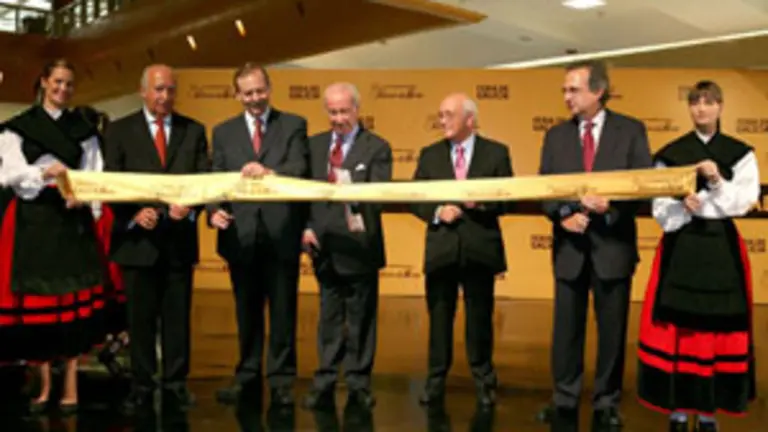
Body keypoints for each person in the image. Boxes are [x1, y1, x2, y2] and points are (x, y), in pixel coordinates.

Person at [537, 60, 653, 430]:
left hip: (612, 247)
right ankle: (564, 398)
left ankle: (607, 401)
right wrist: (563, 215)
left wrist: (613, 207)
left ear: (598, 91)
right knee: (565, 330)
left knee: (612, 330)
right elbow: (545, 189)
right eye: (564, 90)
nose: (566, 97)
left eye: (573, 89)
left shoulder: (631, 131)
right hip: (570, 249)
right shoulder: (556, 136)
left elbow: (643, 187)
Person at [637, 81, 758, 432]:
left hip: (720, 247)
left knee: (717, 328)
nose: (701, 109)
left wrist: (717, 180)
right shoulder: (671, 153)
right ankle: (677, 411)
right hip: (681, 244)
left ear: (720, 107)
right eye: (695, 103)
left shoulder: (741, 153)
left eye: (708, 102)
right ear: (689, 108)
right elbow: (660, 211)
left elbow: (744, 202)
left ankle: (708, 413)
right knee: (678, 327)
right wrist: (681, 205)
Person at [0, 59, 108, 415]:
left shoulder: (85, 130)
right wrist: (46, 172)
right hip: (35, 219)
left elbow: (95, 174)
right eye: (57, 82)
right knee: (40, 307)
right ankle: (45, 384)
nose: (63, 89)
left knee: (73, 310)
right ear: (44, 82)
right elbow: (8, 176)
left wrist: (84, 197)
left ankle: (72, 384)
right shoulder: (17, 128)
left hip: (72, 221)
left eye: (69, 84)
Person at [104, 64, 210, 413]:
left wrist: (191, 206)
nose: (165, 96)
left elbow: (204, 180)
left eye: (170, 90)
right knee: (141, 320)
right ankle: (142, 384)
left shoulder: (193, 130)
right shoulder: (119, 131)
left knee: (177, 318)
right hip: (137, 243)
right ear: (143, 91)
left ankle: (176, 384)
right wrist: (133, 213)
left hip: (179, 241)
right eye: (159, 89)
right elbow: (110, 183)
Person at [208, 63, 309, 406]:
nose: (255, 98)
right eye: (247, 92)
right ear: (237, 95)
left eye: (259, 90)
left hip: (281, 233)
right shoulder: (223, 132)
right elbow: (215, 179)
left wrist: (269, 173)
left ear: (269, 88)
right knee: (245, 312)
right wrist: (212, 211)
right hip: (240, 235)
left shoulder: (293, 125)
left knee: (283, 311)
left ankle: (281, 381)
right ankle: (247, 375)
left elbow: (299, 169)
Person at [410, 93, 513, 408]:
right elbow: (415, 198)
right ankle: (435, 381)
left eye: (449, 115)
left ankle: (484, 380)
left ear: (470, 119)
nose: (442, 121)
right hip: (442, 249)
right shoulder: (429, 155)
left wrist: (478, 202)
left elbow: (508, 198)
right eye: (440, 115)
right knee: (439, 318)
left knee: (479, 318)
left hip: (479, 249)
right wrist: (440, 210)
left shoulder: (496, 153)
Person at [300, 82, 393, 410]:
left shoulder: (377, 147)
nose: (338, 118)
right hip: (323, 249)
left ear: (356, 109)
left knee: (361, 319)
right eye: (332, 112)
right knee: (328, 318)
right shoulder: (313, 146)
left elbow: (378, 197)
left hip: (360, 249)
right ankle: (324, 380)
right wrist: (306, 228)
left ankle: (358, 382)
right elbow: (302, 194)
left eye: (344, 111)